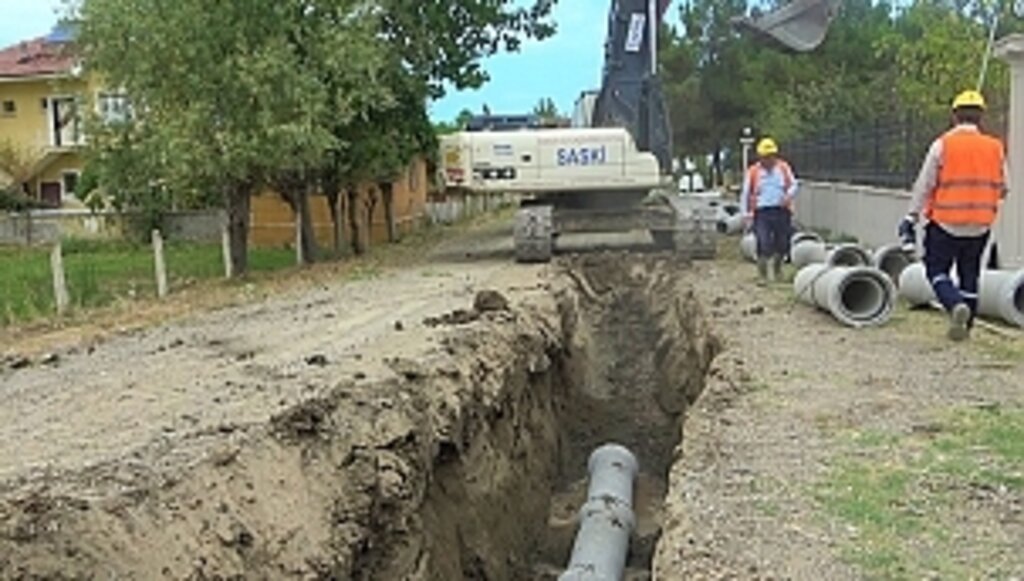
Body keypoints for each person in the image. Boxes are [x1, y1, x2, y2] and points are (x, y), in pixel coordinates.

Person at [898, 89, 1008, 341]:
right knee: (970, 273)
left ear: (954, 115)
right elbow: (1005, 187)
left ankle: (953, 304)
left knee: (936, 269)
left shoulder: (942, 144)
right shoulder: (995, 147)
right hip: (980, 223)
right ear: (981, 117)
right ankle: (966, 324)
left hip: (945, 222)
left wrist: (911, 217)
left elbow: (925, 184)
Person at [741, 137, 798, 283]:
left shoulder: (783, 168)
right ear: (760, 157)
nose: (769, 160)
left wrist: (788, 196)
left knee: (782, 242)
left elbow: (794, 184)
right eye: (766, 157)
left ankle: (777, 270)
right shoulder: (753, 172)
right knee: (763, 241)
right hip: (761, 212)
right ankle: (763, 275)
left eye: (771, 156)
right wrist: (745, 214)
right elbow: (746, 193)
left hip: (781, 210)